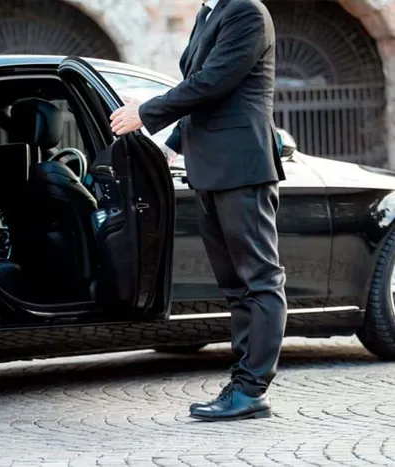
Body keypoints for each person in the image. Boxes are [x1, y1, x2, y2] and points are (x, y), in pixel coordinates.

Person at [109, 0, 287, 422]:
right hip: (208, 170)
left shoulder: (247, 11)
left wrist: (145, 112)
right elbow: (198, 87)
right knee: (234, 286)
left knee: (259, 280)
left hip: (242, 167)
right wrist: (170, 145)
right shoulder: (210, 13)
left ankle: (251, 391)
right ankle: (242, 383)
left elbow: (213, 83)